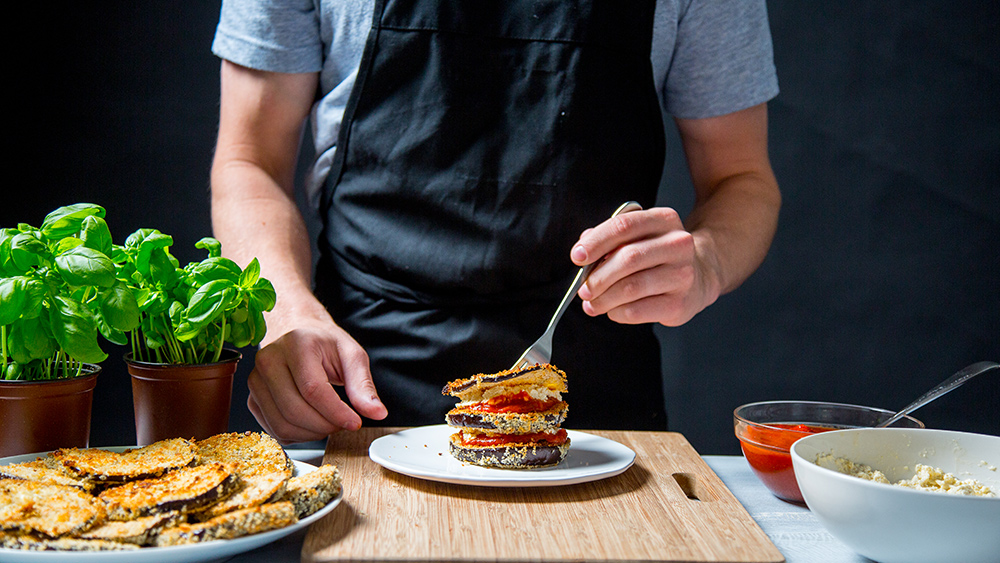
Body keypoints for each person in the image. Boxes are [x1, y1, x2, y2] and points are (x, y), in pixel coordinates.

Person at [209, 0, 781, 443]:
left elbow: (742, 179)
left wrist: (706, 258)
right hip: (356, 386)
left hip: (595, 385)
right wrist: (286, 313)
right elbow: (249, 161)